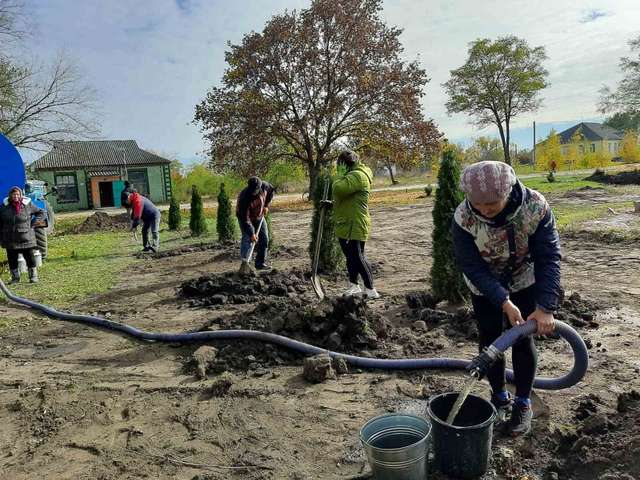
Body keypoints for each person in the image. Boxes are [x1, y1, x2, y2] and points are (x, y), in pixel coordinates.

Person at [452, 161, 561, 437]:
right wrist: (502, 300)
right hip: (484, 284)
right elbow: (471, 266)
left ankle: (522, 403)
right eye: (479, 204)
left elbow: (549, 256)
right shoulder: (464, 216)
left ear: (508, 191)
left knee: (522, 338)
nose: (485, 210)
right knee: (491, 339)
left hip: (525, 278)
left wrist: (545, 306)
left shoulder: (535, 207)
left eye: (492, 203)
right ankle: (499, 397)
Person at [332, 150, 379, 299]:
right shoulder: (354, 175)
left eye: (339, 165)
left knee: (357, 256)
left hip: (354, 222)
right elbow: (347, 198)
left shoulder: (357, 175)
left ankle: (371, 289)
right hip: (349, 221)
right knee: (351, 256)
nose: (337, 168)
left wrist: (339, 174)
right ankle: (354, 285)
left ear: (344, 164)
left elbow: (339, 189)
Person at [0, 186, 45, 283]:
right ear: (10, 196)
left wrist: (34, 223)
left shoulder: (27, 205)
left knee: (30, 258)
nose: (16, 196)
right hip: (10, 238)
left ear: (20, 195)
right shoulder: (4, 207)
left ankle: (33, 276)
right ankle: (15, 278)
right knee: (12, 259)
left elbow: (41, 212)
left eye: (17, 194)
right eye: (13, 194)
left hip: (26, 237)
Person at [236, 176, 275, 270]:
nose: (253, 192)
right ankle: (245, 264)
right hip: (245, 218)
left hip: (259, 216)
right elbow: (245, 219)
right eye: (252, 190)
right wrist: (252, 233)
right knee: (247, 239)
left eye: (255, 190)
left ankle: (260, 263)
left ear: (259, 187)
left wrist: (266, 205)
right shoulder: (244, 198)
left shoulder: (265, 186)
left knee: (264, 239)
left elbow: (271, 192)